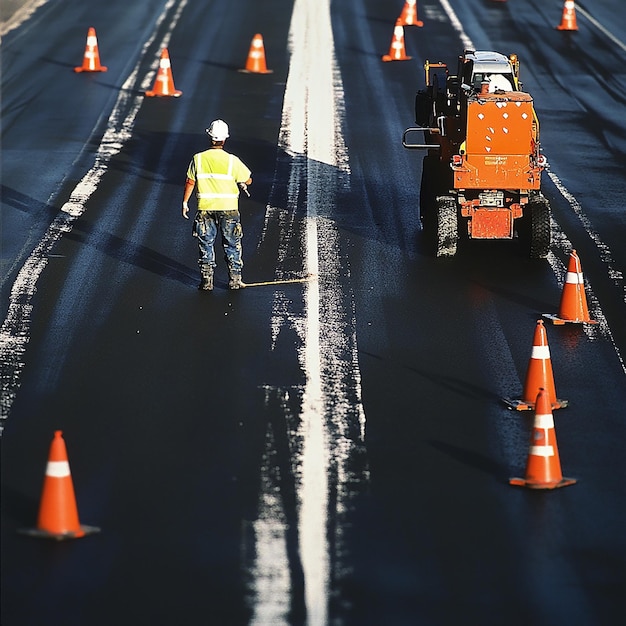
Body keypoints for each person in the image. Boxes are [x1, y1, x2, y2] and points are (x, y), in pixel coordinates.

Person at [182, 120, 252, 290]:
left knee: (205, 244)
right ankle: (235, 280)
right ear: (224, 139)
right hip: (229, 208)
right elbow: (248, 179)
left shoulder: (198, 159)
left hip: (205, 209)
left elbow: (190, 181)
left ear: (210, 137)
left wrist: (185, 203)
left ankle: (207, 281)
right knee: (232, 244)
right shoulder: (232, 160)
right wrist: (242, 183)